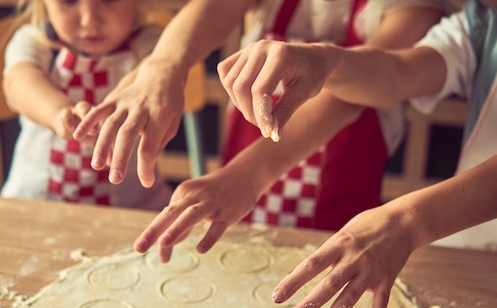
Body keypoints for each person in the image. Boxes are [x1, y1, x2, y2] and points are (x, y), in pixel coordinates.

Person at [216, 0, 497, 308]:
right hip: (470, 249)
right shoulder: (482, 22)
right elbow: (400, 72)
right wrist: (327, 60)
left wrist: (410, 220)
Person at [73, 0, 451, 226]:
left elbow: (357, 91)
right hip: (236, 199)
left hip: (334, 220)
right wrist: (162, 69)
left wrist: (249, 174)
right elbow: (216, 8)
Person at [0, 0, 172, 210]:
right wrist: (59, 114)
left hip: (133, 208)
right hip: (34, 204)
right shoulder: (36, 40)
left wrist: (121, 101)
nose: (90, 20)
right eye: (68, 1)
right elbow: (18, 82)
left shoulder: (150, 44)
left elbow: (156, 72)